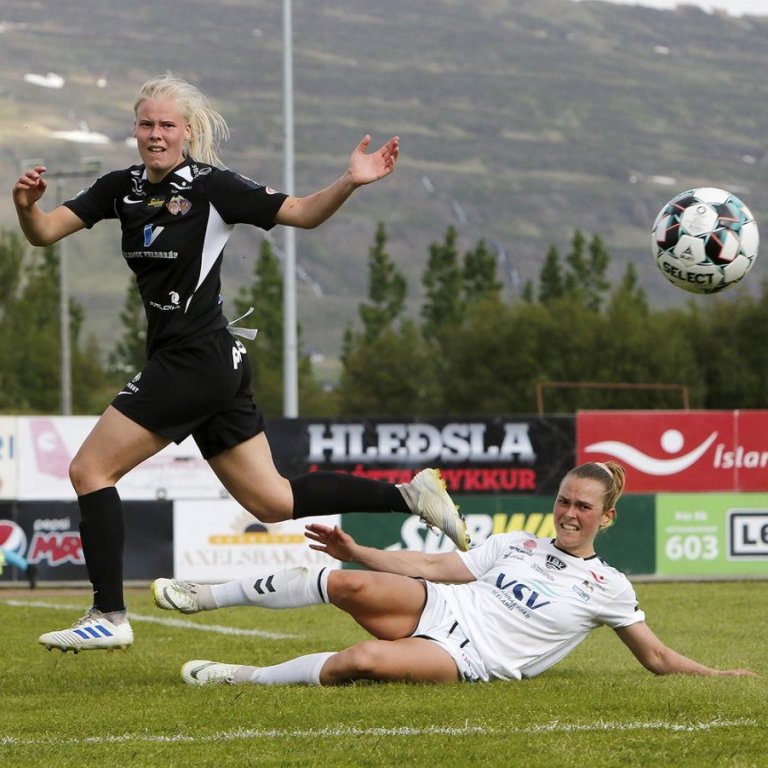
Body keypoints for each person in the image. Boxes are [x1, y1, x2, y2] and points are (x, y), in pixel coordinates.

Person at [12, 73, 469, 654]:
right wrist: (27, 207)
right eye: (147, 124)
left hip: (196, 359)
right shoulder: (119, 187)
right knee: (273, 501)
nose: (156, 134)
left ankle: (108, 614)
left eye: (167, 125)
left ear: (188, 132)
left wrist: (350, 181)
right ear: (135, 129)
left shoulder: (213, 187)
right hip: (209, 362)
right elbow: (44, 233)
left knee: (89, 471)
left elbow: (301, 213)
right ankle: (410, 496)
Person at [152, 461, 755, 686]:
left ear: (607, 516)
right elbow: (430, 565)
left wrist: (719, 674)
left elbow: (656, 657)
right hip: (441, 607)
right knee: (344, 581)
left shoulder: (610, 587)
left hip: (472, 657)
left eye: (584, 507)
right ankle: (205, 595)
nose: (570, 514)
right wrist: (358, 551)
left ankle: (245, 677)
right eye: (565, 501)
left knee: (363, 660)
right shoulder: (517, 543)